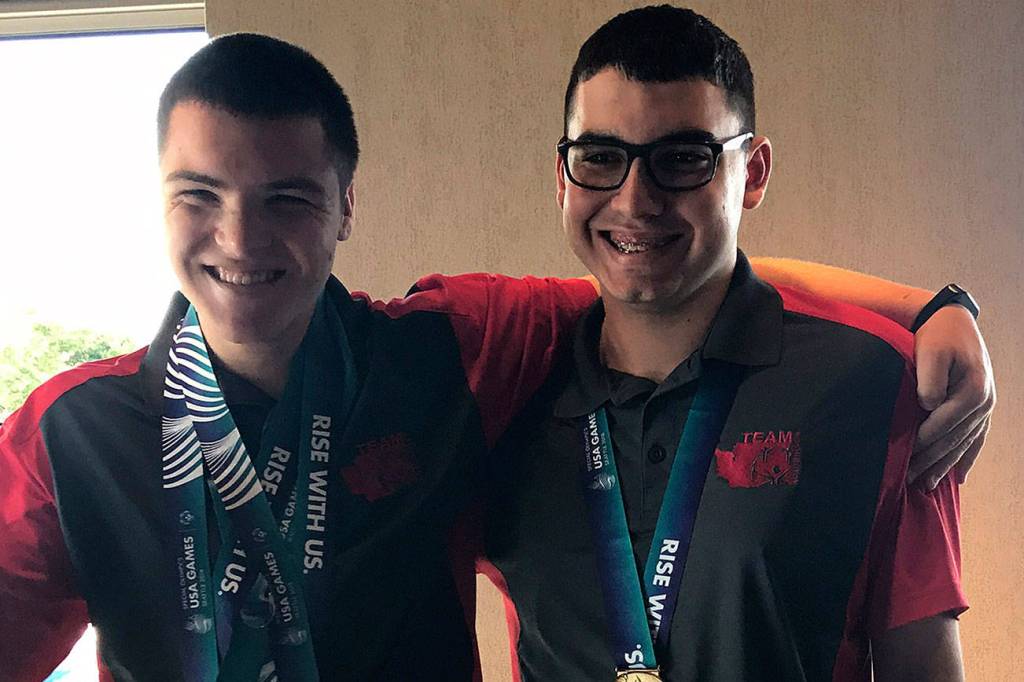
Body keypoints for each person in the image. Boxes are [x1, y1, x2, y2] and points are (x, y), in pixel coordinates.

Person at [0, 31, 989, 681]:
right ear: (159, 202)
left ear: (347, 204)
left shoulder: (453, 350)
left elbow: (665, 269)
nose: (241, 238)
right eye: (200, 195)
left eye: (287, 198)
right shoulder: (69, 433)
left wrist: (931, 307)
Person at [482, 6, 975, 681]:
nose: (635, 201)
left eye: (682, 159)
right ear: (562, 174)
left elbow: (921, 667)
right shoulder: (506, 384)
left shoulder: (874, 381)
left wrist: (943, 308)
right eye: (600, 158)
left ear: (755, 172)